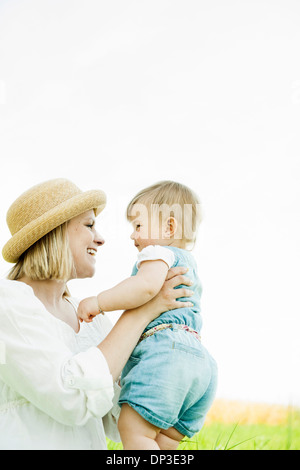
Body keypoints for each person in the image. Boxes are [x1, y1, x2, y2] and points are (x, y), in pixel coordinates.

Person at [0, 178, 192, 450]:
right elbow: (71, 398)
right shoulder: (7, 303)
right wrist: (141, 312)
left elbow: (117, 418)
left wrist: (178, 367)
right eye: (89, 225)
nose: (100, 238)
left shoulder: (92, 320)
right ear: (53, 232)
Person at [77, 181, 218, 450]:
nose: (133, 235)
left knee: (133, 430)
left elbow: (144, 287)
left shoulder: (158, 253)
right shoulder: (189, 263)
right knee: (164, 441)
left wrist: (99, 301)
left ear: (169, 228)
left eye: (139, 226)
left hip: (167, 354)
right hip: (202, 365)